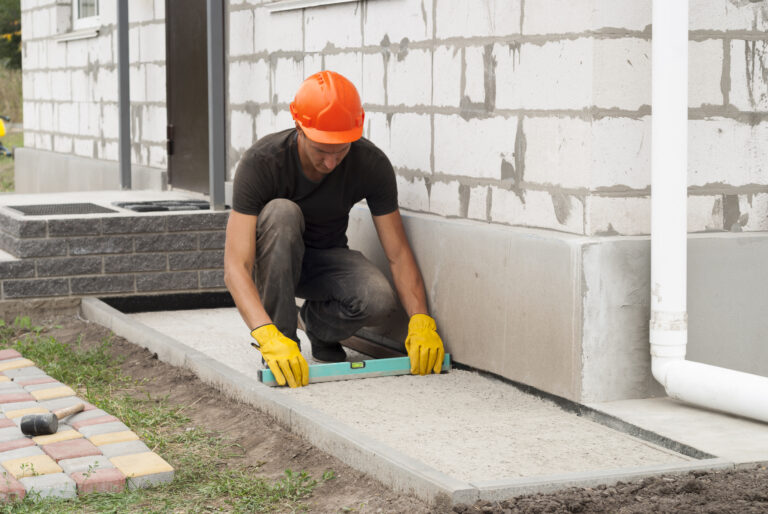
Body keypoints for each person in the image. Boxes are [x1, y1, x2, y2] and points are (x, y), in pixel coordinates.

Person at [224, 70, 445, 388]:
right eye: (321, 151)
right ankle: (284, 343)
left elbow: (397, 253)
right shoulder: (262, 163)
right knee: (281, 212)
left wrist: (422, 320)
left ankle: (315, 325)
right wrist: (265, 334)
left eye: (340, 151)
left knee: (378, 300)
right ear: (299, 126)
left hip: (325, 263)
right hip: (274, 263)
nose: (331, 163)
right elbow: (236, 267)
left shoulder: (370, 163)